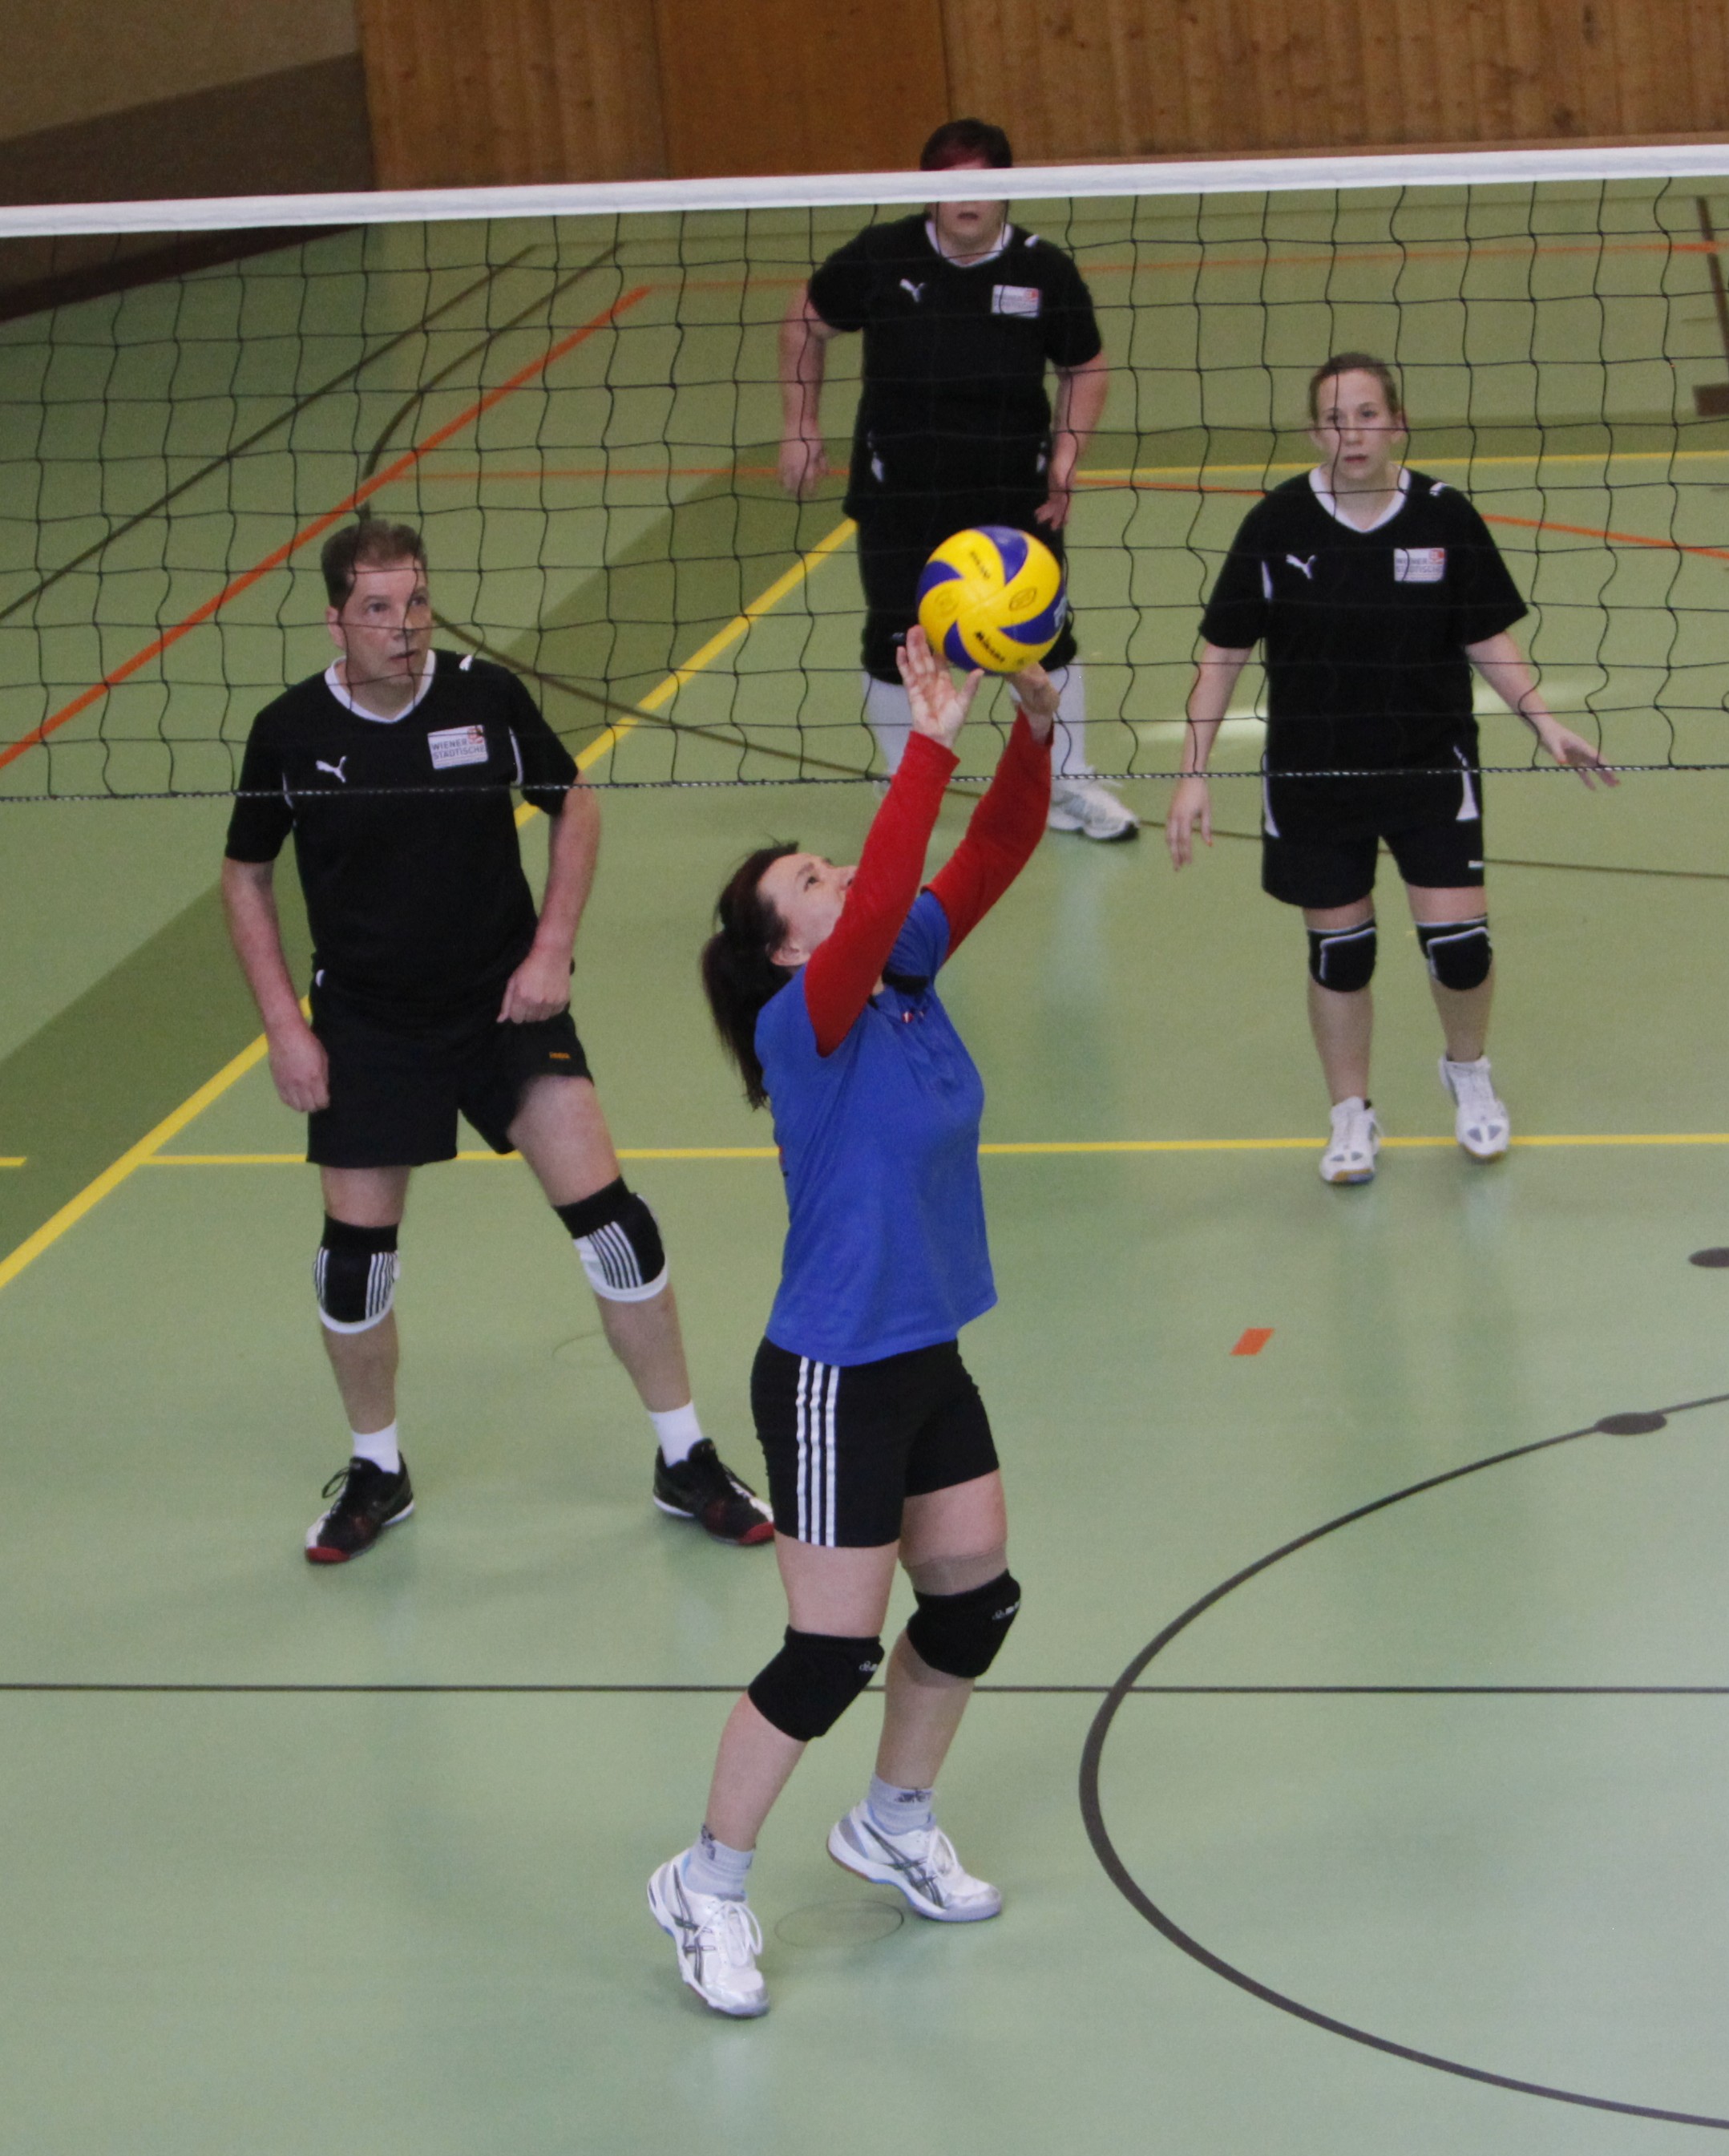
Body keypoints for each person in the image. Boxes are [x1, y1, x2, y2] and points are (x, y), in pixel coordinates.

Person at [221, 518, 771, 1559]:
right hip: (369, 1023)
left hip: (503, 1006)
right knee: (353, 1270)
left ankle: (683, 1453)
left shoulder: (485, 698)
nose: (404, 626)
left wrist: (552, 948)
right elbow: (245, 876)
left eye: (417, 602)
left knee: (619, 1231)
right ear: (336, 621)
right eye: (378, 608)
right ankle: (377, 1468)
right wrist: (285, 1026)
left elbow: (574, 804)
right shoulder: (289, 731)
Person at [647, 629, 1056, 2016]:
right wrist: (925, 739)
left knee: (975, 1598)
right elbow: (889, 889)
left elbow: (992, 853)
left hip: (923, 1347)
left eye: (827, 865)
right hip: (830, 1369)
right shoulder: (802, 1023)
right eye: (810, 882)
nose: (837, 879)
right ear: (787, 946)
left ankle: (892, 1818)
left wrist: (1033, 722)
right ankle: (705, 1880)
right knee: (828, 1651)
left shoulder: (900, 973)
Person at [1166, 353, 1616, 1184]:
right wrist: (1193, 773)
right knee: (1342, 955)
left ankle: (1467, 1071)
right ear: (1314, 433)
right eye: (1334, 418)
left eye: (1367, 415)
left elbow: (1486, 636)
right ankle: (1350, 1113)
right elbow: (1221, 658)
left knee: (1461, 949)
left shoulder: (1443, 515)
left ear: (1397, 423)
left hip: (1428, 766)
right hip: (1314, 775)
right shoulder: (1275, 524)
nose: (1352, 433)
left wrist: (1545, 723)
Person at [779, 115, 1135, 843]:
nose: (965, 199)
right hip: (899, 492)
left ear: (1005, 189)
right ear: (926, 190)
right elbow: (805, 324)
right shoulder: (882, 255)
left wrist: (1067, 456)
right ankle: (902, 784)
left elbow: (1085, 366)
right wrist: (801, 423)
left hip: (1011, 497)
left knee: (1042, 639)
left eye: (980, 183)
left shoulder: (1043, 270)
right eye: (949, 184)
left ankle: (1067, 783)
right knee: (897, 640)